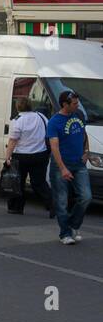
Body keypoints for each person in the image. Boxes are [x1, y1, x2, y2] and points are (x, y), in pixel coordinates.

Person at [46, 89, 91, 244]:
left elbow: (84, 135)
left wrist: (86, 151)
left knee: (86, 197)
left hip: (79, 163)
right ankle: (65, 234)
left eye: (78, 103)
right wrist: (63, 168)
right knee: (62, 201)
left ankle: (73, 224)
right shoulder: (54, 122)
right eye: (74, 104)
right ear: (65, 104)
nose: (77, 106)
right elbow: (54, 147)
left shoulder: (78, 115)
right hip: (61, 165)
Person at [4, 97, 50, 214]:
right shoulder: (41, 117)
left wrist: (8, 157)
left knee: (18, 183)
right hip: (40, 155)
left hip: (21, 156)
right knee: (39, 183)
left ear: (18, 107)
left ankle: (16, 207)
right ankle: (52, 204)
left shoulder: (17, 120)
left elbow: (13, 141)